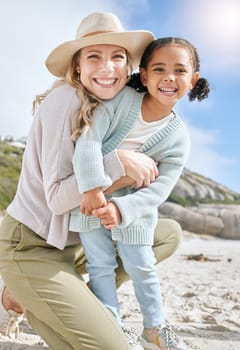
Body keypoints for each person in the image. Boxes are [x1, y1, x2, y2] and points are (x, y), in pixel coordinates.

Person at [0, 12, 184, 350]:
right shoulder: (64, 102)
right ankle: (28, 293)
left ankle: (59, 301)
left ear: (129, 66)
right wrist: (121, 165)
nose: (107, 67)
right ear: (77, 66)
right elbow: (57, 199)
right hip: (31, 245)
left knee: (166, 235)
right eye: (94, 56)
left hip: (76, 242)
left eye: (117, 57)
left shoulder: (116, 107)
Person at [69, 37, 210, 350]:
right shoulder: (119, 102)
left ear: (192, 80)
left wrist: (124, 209)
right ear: (144, 75)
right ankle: (113, 326)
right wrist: (93, 189)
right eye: (159, 69)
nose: (169, 77)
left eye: (179, 70)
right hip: (91, 203)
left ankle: (154, 329)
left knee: (142, 267)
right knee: (100, 266)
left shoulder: (178, 137)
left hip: (136, 212)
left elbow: (161, 187)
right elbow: (88, 142)